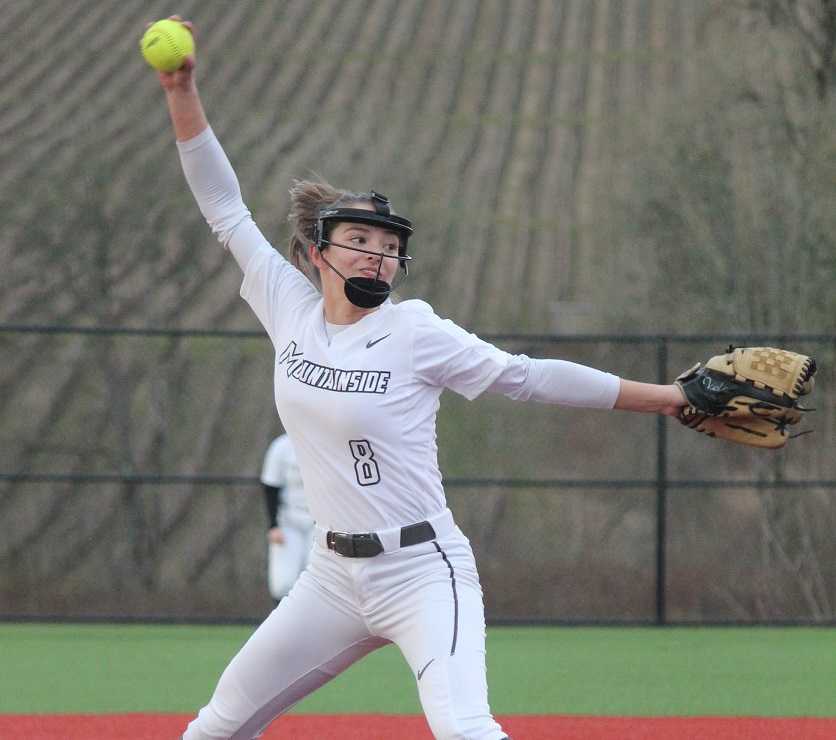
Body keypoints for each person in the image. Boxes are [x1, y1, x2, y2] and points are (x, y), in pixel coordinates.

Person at [153, 18, 688, 740]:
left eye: (390, 246)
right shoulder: (288, 306)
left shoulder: (415, 332)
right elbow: (223, 207)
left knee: (466, 728)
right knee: (214, 728)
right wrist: (182, 92)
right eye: (361, 240)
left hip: (422, 572)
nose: (379, 255)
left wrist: (669, 399)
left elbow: (528, 378)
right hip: (330, 579)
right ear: (318, 252)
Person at [260, 432, 314, 605]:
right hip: (288, 523)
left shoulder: (322, 441)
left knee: (316, 579)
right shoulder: (281, 446)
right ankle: (285, 627)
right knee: (283, 582)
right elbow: (270, 486)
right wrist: (273, 525)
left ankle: (313, 628)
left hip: (319, 523)